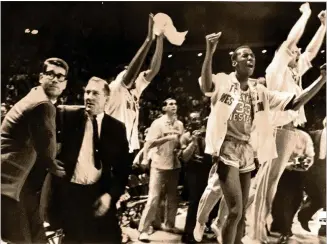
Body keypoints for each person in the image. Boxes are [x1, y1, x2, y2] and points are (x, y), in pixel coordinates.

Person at [198, 28, 326, 244]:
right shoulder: (265, 72)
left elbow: (296, 99)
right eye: (244, 55)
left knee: (242, 200)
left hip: (250, 145)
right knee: (221, 190)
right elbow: (207, 85)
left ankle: (226, 227)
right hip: (226, 145)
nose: (298, 52)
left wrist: (323, 79)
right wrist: (210, 51)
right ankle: (203, 220)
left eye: (252, 55)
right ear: (234, 61)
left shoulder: (265, 90)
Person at [247, 3, 326, 242]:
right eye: (293, 50)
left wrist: (324, 26)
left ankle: (248, 221)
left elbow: (311, 52)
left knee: (267, 183)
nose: (297, 51)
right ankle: (254, 233)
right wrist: (307, 15)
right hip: (276, 130)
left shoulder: (294, 72)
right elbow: (292, 42)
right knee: (266, 184)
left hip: (288, 132)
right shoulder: (276, 69)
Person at [42, 77, 130, 243]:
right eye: (87, 92)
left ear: (106, 98)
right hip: (71, 195)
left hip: (99, 194)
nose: (89, 97)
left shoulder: (117, 128)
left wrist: (110, 196)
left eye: (95, 93)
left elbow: (123, 169)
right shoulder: (66, 115)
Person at [1, 58, 69, 244]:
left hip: (19, 184)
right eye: (50, 74)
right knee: (22, 239)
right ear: (41, 77)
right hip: (7, 186)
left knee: (37, 235)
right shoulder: (42, 105)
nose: (55, 79)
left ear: (65, 84)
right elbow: (49, 156)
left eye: (60, 76)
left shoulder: (36, 97)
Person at [106, 13, 164, 154]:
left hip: (126, 148)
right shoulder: (115, 88)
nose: (135, 73)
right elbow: (130, 74)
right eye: (129, 70)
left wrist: (160, 39)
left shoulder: (135, 91)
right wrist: (148, 40)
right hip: (111, 148)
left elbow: (153, 70)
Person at [138, 98, 184, 242]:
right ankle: (143, 230)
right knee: (153, 198)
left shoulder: (179, 124)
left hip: (174, 165)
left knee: (173, 197)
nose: (173, 106)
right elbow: (149, 143)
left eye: (175, 104)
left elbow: (180, 143)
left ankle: (170, 224)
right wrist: (145, 158)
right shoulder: (157, 124)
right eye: (170, 104)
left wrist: (180, 148)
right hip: (158, 165)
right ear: (164, 109)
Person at [270, 128, 315, 243]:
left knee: (296, 200)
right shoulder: (277, 134)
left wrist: (304, 163)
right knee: (284, 200)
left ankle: (285, 226)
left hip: (299, 174)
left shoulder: (303, 136)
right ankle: (285, 229)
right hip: (283, 173)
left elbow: (310, 155)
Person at [179, 112, 212, 243]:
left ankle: (201, 229)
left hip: (206, 170)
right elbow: (184, 158)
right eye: (193, 119)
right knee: (194, 201)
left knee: (205, 201)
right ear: (189, 121)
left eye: (198, 119)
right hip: (193, 171)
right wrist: (193, 141)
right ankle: (188, 232)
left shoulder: (206, 135)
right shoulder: (185, 137)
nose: (196, 121)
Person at [298, 117, 326, 236]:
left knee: (322, 202)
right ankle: (323, 227)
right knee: (323, 202)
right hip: (316, 174)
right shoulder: (313, 135)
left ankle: (305, 214)